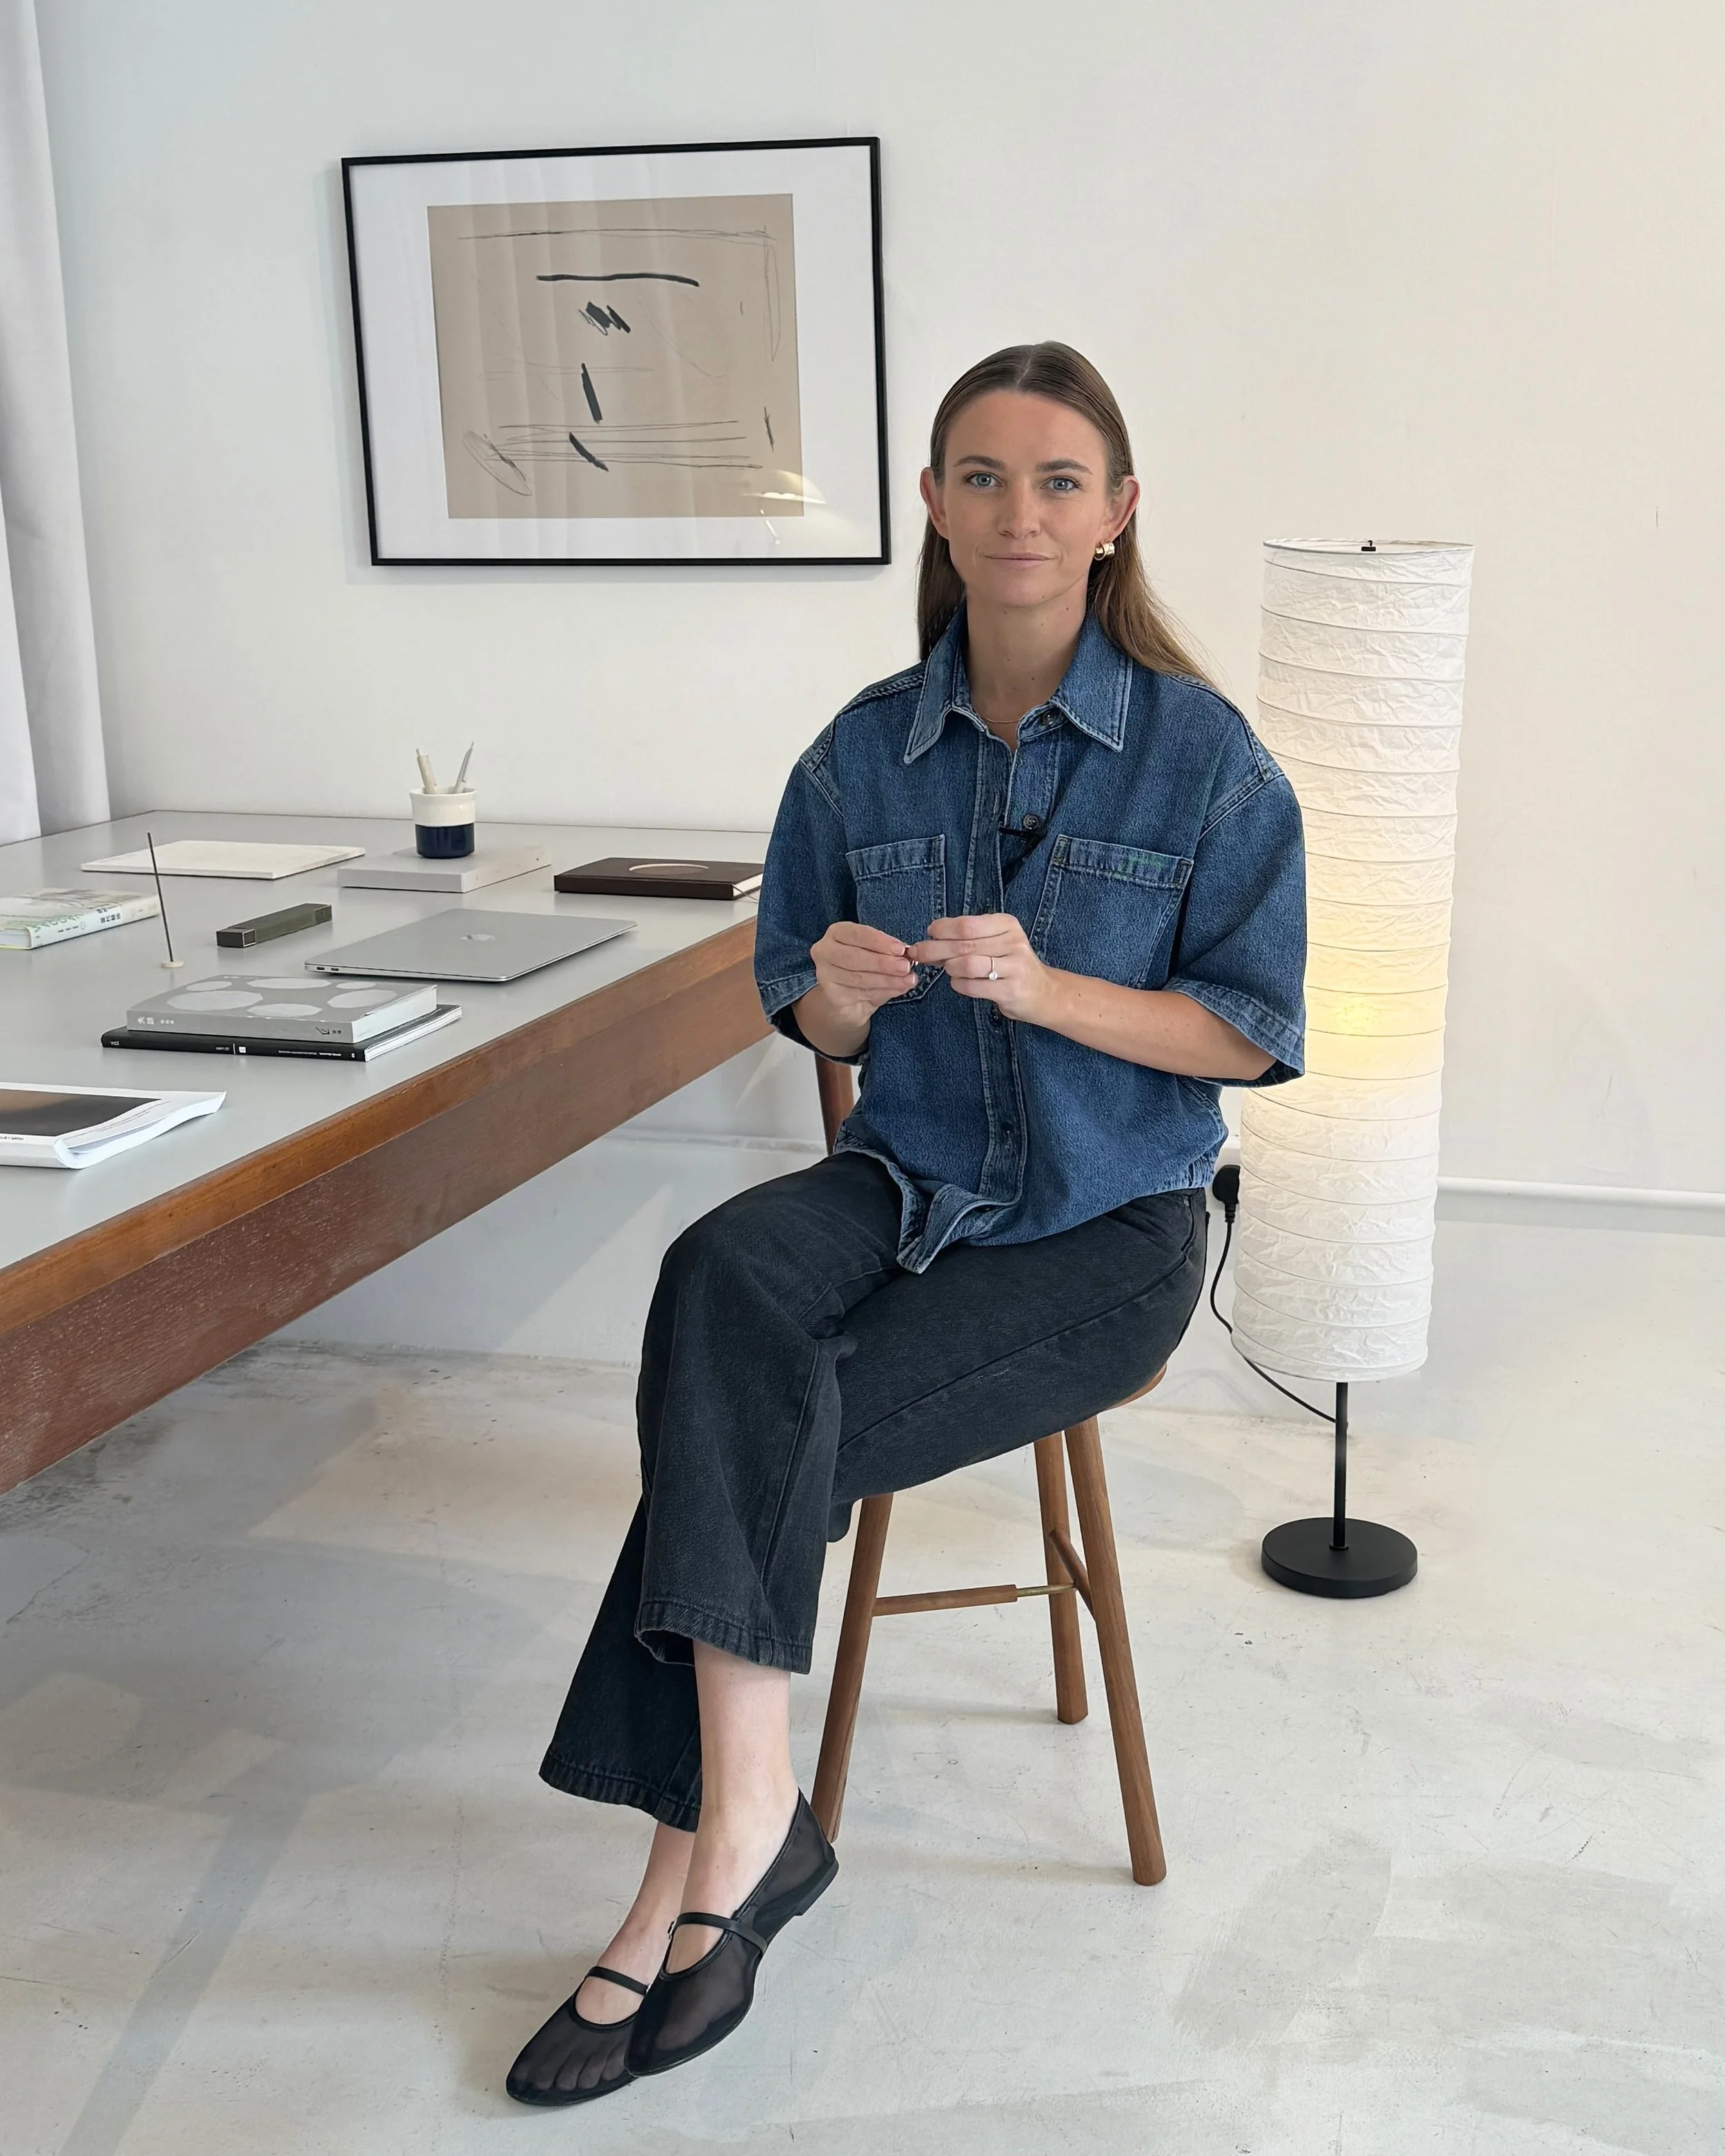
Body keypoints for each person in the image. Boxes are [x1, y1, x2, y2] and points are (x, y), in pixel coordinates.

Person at [506, 342, 1307, 2106]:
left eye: (1054, 479)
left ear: (1115, 516)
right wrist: (850, 1009)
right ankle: (752, 1826)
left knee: (741, 1433)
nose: (1015, 511)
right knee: (719, 1278)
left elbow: (1250, 1031)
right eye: (978, 475)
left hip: (1108, 1228)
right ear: (934, 508)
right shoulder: (859, 758)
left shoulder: (1202, 758)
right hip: (901, 1185)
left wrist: (1058, 989)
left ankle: (684, 1873)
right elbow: (803, 1001)